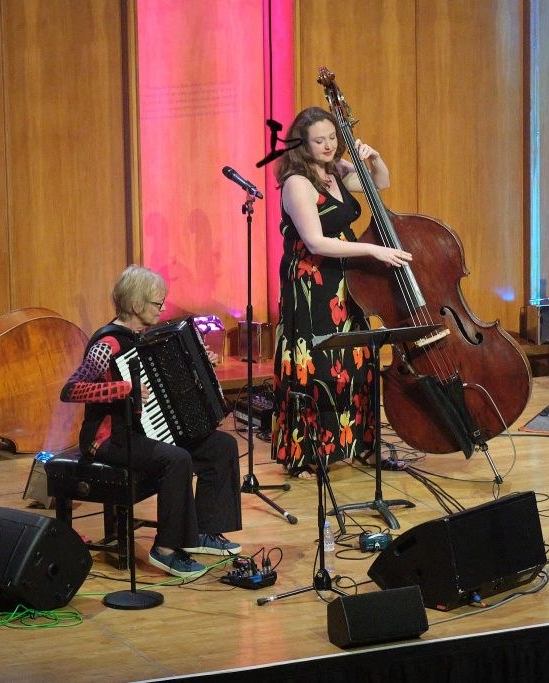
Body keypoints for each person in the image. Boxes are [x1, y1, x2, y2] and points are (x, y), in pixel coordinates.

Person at [61, 265, 243, 577]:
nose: (162, 309)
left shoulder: (144, 339)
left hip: (144, 430)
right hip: (108, 438)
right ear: (136, 305)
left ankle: (203, 532)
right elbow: (71, 390)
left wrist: (200, 364)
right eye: (157, 303)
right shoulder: (107, 345)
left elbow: (166, 387)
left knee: (221, 446)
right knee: (177, 459)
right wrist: (122, 389)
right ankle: (166, 550)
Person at [271, 106, 412, 478]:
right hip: (312, 282)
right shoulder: (297, 182)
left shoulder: (335, 171)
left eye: (332, 137)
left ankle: (360, 444)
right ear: (302, 144)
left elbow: (380, 183)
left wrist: (374, 159)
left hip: (346, 278)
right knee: (317, 363)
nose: (329, 145)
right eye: (319, 140)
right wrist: (372, 250)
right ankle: (307, 453)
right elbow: (315, 242)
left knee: (357, 357)